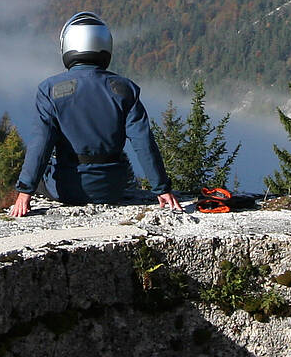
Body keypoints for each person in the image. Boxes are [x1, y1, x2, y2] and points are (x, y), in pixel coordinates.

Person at [10, 11, 181, 216]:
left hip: (66, 189)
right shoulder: (126, 89)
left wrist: (24, 191)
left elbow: (41, 144)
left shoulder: (50, 90)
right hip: (113, 189)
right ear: (105, 46)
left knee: (45, 176)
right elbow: (144, 143)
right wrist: (161, 188)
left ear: (67, 46)